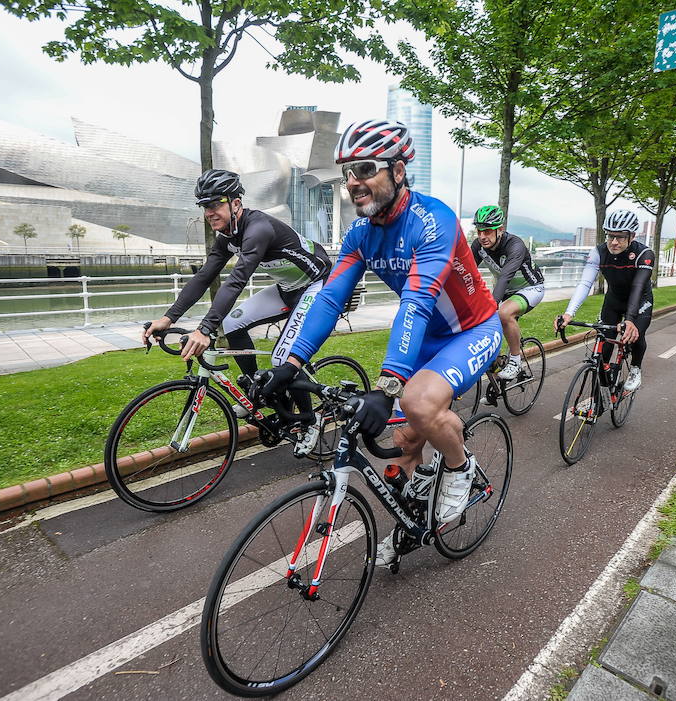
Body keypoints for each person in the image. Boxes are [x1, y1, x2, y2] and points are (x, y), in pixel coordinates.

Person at [254, 118, 502, 566]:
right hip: (428, 339)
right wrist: (289, 365)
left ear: (398, 171)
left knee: (418, 403)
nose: (354, 182)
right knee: (404, 448)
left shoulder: (434, 220)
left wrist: (388, 386)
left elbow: (417, 300)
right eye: (348, 172)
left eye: (366, 169)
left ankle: (460, 468)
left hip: (472, 331)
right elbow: (329, 299)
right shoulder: (360, 234)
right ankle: (412, 524)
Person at [143, 169, 332, 450]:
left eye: (215, 203)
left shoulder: (258, 229)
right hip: (289, 288)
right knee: (232, 324)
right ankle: (257, 392)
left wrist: (205, 329)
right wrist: (167, 318)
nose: (209, 212)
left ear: (235, 202)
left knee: (283, 359)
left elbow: (236, 281)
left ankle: (308, 422)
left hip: (317, 285)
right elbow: (204, 277)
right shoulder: (227, 236)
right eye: (204, 206)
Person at [554, 209, 654, 393]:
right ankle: (599, 398)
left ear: (632, 236)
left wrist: (630, 320)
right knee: (602, 351)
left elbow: (637, 287)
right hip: (613, 301)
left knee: (634, 335)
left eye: (621, 237)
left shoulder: (644, 254)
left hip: (640, 302)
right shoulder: (599, 252)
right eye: (610, 236)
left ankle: (635, 368)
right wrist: (569, 313)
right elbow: (585, 283)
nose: (614, 242)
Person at [470, 205, 546, 380]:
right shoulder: (478, 246)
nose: (482, 236)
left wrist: (492, 303)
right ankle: (496, 374)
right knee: (477, 321)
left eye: (487, 231)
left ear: (500, 230)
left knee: (504, 313)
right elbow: (466, 272)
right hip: (506, 291)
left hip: (530, 288)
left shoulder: (515, 245)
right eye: (479, 231)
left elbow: (505, 276)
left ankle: (515, 361)